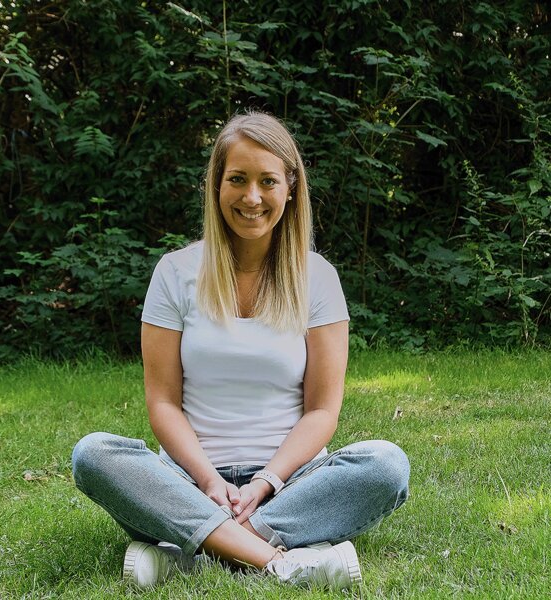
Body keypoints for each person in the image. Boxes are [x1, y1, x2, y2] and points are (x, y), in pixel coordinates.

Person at [72, 111, 410, 591]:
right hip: (188, 483)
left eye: (267, 181)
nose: (252, 197)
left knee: (386, 465)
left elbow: (322, 410)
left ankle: (188, 555)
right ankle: (278, 559)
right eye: (237, 179)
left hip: (291, 484)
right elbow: (163, 402)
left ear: (290, 189)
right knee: (93, 454)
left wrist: (266, 481)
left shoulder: (318, 278)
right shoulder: (174, 273)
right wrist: (210, 483)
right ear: (216, 185)